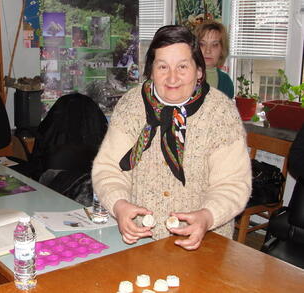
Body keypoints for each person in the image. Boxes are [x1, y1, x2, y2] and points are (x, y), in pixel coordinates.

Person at [92, 25, 251, 250]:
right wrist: (118, 204)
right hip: (137, 240)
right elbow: (109, 168)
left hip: (205, 242)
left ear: (199, 70)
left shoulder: (220, 113)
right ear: (151, 70)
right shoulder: (132, 105)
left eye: (183, 66)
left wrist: (208, 216)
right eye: (163, 66)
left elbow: (233, 183)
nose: (172, 77)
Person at [195, 21, 234, 99]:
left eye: (214, 45)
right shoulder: (183, 76)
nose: (208, 51)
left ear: (222, 49)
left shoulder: (226, 82)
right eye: (202, 44)